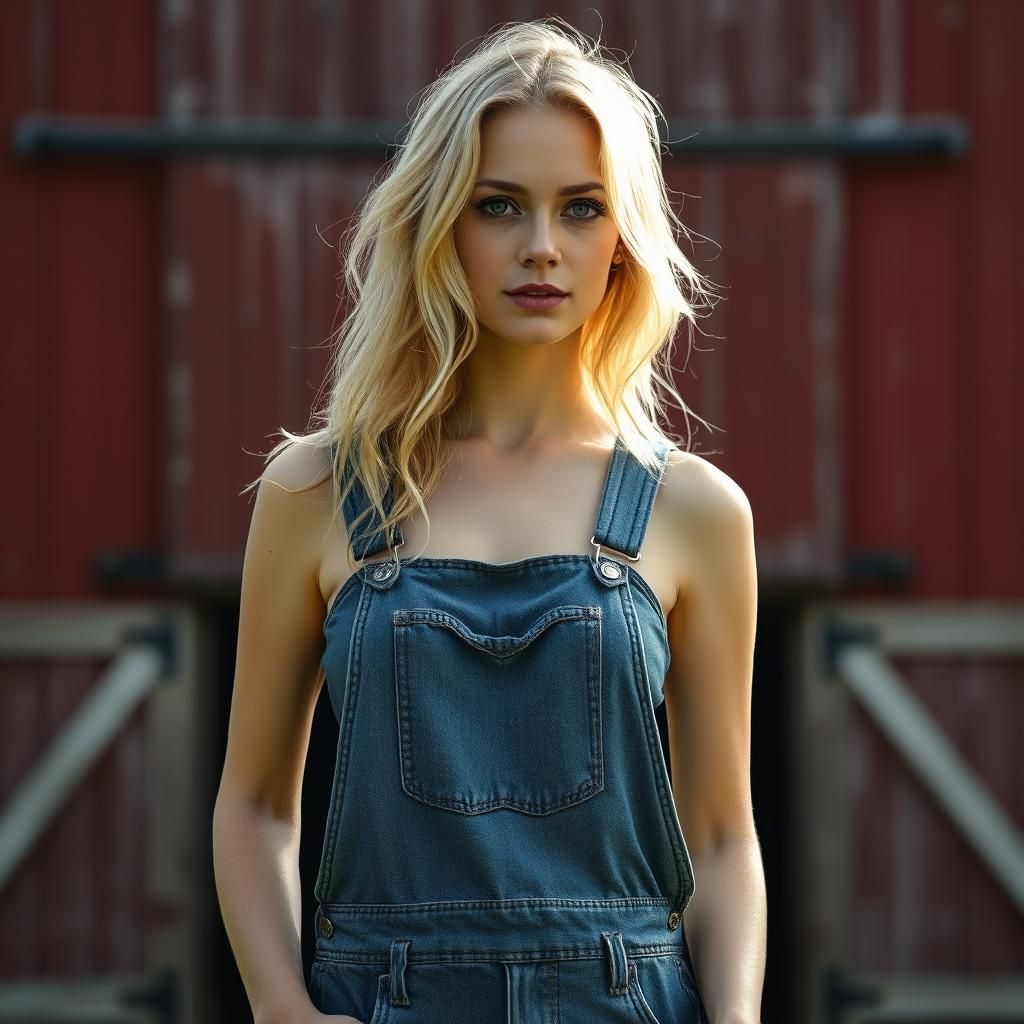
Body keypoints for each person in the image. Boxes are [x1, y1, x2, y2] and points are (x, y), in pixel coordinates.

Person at [212, 17, 765, 1024]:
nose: (542, 247)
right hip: (381, 998)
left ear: (623, 239)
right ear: (439, 226)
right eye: (499, 205)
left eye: (581, 208)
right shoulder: (314, 491)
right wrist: (282, 1010)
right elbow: (252, 805)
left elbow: (724, 834)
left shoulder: (693, 511)